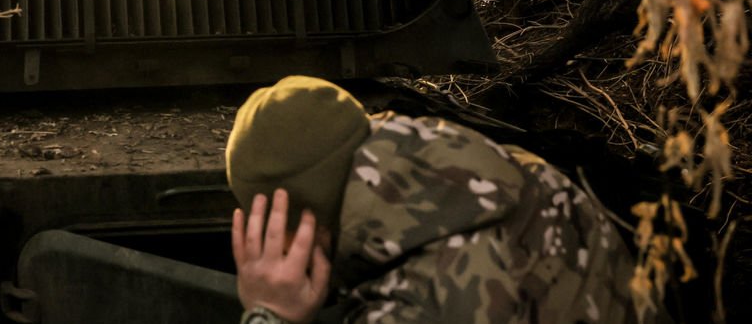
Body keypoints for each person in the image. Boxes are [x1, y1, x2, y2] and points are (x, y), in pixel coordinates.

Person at [226, 75, 664, 324]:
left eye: (267, 225)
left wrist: (270, 315)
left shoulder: (417, 302)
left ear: (301, 220)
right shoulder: (494, 168)